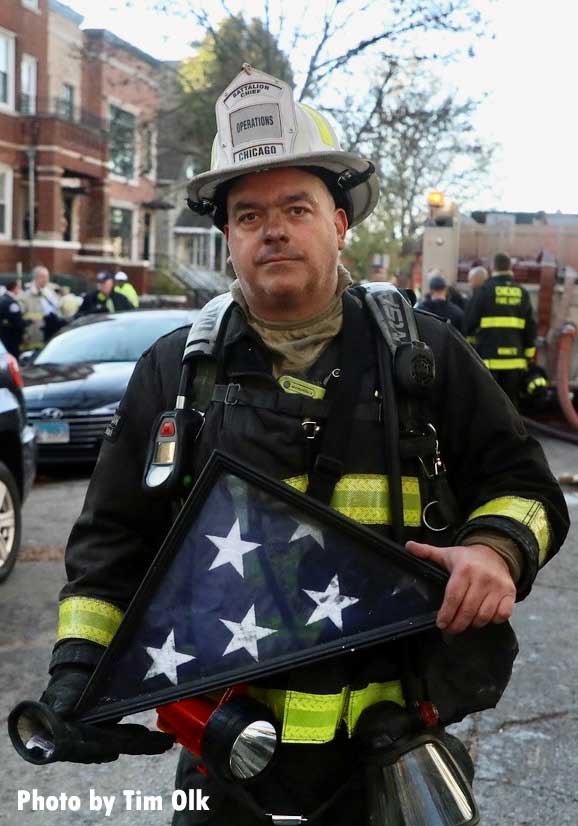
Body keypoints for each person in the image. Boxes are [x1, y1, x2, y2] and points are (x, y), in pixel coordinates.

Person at [22, 67, 568, 825]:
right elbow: (113, 541)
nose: (272, 228)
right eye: (248, 214)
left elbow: (529, 489)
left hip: (388, 757)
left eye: (295, 207)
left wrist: (496, 548)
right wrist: (78, 673)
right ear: (228, 239)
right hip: (224, 765)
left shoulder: (427, 358)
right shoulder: (175, 372)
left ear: (340, 223)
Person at [464, 252, 536, 406]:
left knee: (489, 405)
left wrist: (471, 348)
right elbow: (530, 327)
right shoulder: (522, 293)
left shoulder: (484, 291)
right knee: (510, 405)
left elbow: (469, 324)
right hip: (515, 362)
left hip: (489, 361)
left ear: (492, 268)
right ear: (510, 268)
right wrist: (528, 355)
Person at [20, 265, 63, 349]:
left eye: (47, 277)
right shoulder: (26, 296)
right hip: (34, 334)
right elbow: (20, 318)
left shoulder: (51, 293)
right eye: (43, 277)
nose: (46, 279)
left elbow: (58, 308)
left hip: (52, 330)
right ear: (35, 278)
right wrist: (24, 335)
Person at [0, 278, 25, 357]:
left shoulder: (2, 299)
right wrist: (29, 322)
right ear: (15, 287)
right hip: (12, 338)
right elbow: (17, 322)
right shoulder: (11, 302)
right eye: (19, 287)